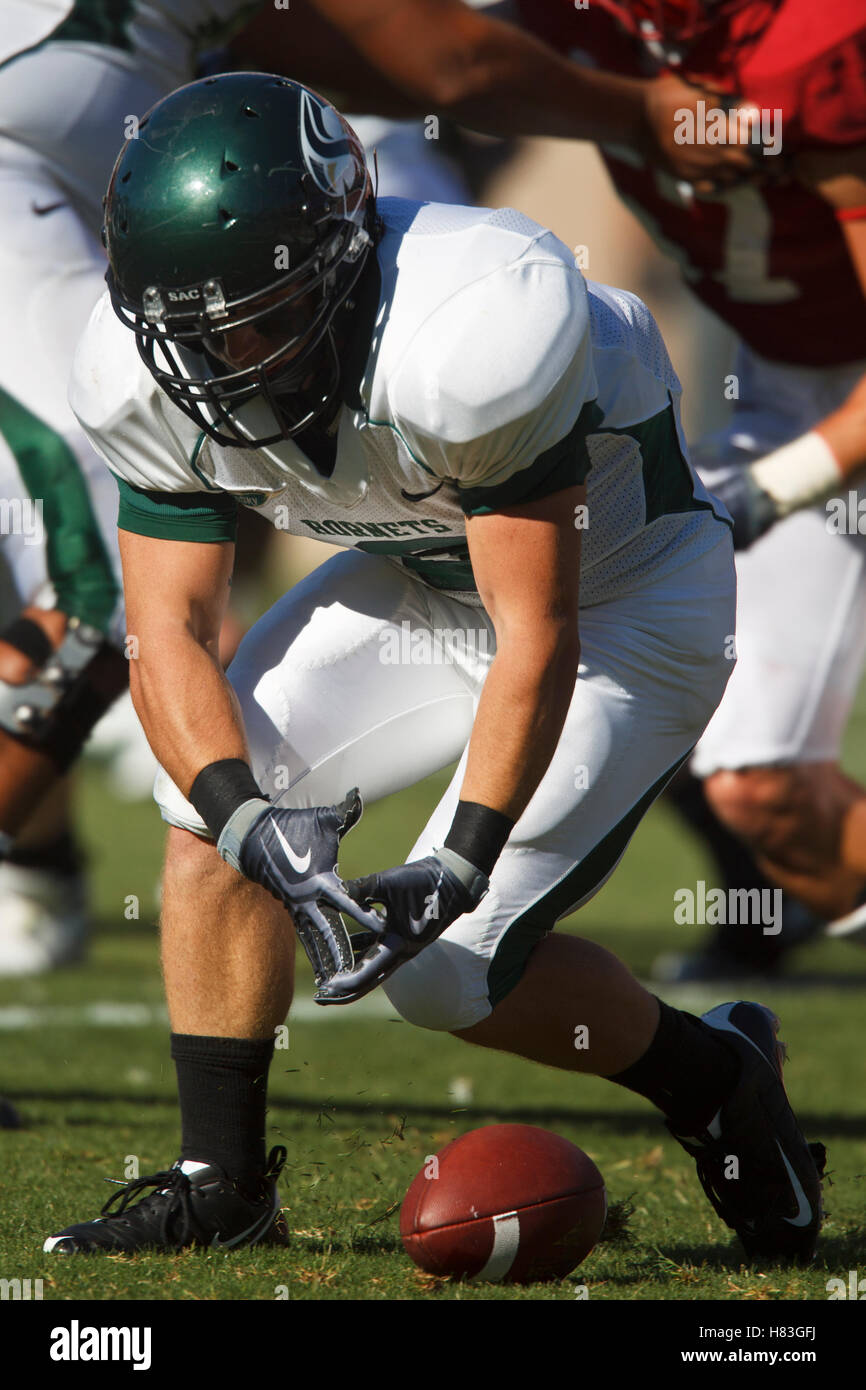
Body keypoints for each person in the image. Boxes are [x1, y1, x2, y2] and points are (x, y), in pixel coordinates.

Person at [43, 74, 824, 1260]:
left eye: (254, 315)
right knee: (200, 802)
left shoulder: (473, 325)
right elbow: (173, 636)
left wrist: (456, 862)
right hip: (417, 576)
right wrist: (249, 819)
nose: (217, 358)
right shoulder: (140, 368)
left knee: (446, 975)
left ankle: (713, 1076)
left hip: (619, 602)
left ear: (340, 263)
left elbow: (537, 633)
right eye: (186, 325)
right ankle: (224, 1185)